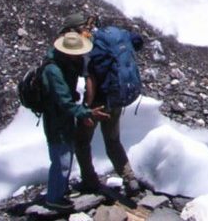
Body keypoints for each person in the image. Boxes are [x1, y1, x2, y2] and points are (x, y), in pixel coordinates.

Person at [68, 13, 143, 196]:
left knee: (82, 141)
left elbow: (90, 81)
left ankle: (89, 180)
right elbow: (138, 41)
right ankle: (130, 179)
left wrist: (87, 108)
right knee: (113, 140)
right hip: (116, 98)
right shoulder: (116, 36)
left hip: (98, 103)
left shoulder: (90, 47)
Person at [41, 31, 109, 211]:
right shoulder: (53, 70)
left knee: (65, 153)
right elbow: (63, 101)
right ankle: (54, 198)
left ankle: (59, 190)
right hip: (56, 119)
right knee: (61, 156)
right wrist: (86, 112)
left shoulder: (63, 63)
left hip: (62, 117)